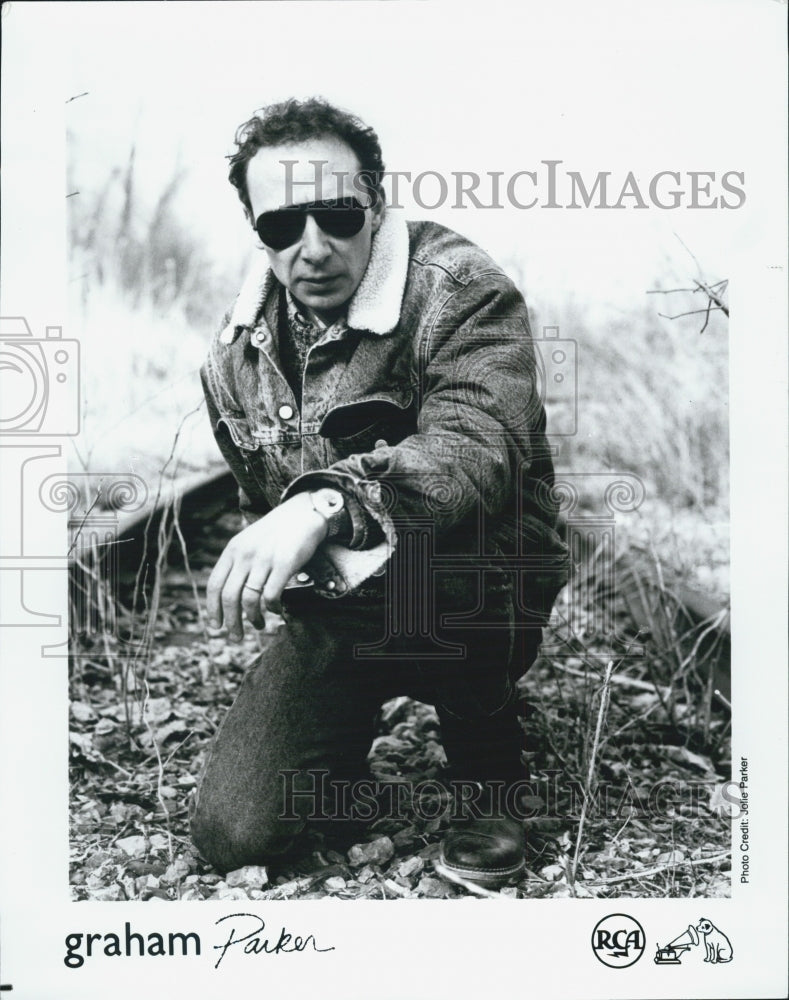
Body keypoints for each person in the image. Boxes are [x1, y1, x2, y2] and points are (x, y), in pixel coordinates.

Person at [190, 97, 568, 886]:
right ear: (257, 233)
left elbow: (476, 446)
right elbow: (259, 501)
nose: (313, 247)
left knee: (456, 568)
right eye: (281, 227)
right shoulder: (232, 359)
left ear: (377, 203)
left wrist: (326, 501)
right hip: (347, 605)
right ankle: (346, 719)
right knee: (238, 834)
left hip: (477, 585)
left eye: (336, 215)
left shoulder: (460, 290)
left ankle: (487, 768)